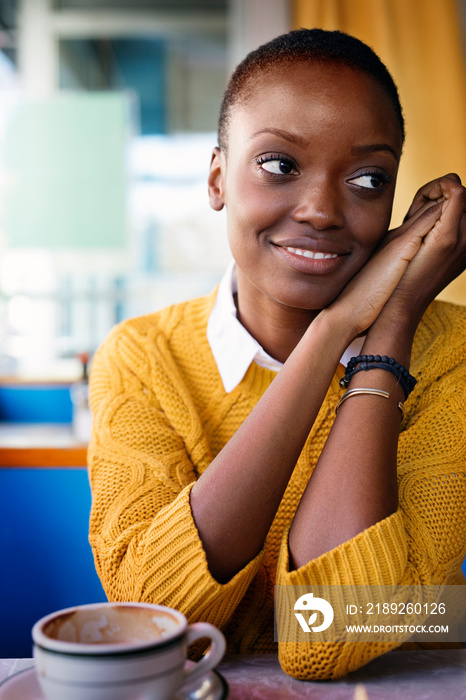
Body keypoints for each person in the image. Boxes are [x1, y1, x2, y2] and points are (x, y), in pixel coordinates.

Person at [88, 29, 466, 680]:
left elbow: (339, 631)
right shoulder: (140, 358)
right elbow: (158, 621)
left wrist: (394, 320)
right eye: (281, 165)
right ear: (217, 178)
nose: (321, 210)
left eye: (368, 178)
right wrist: (332, 333)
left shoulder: (452, 354)